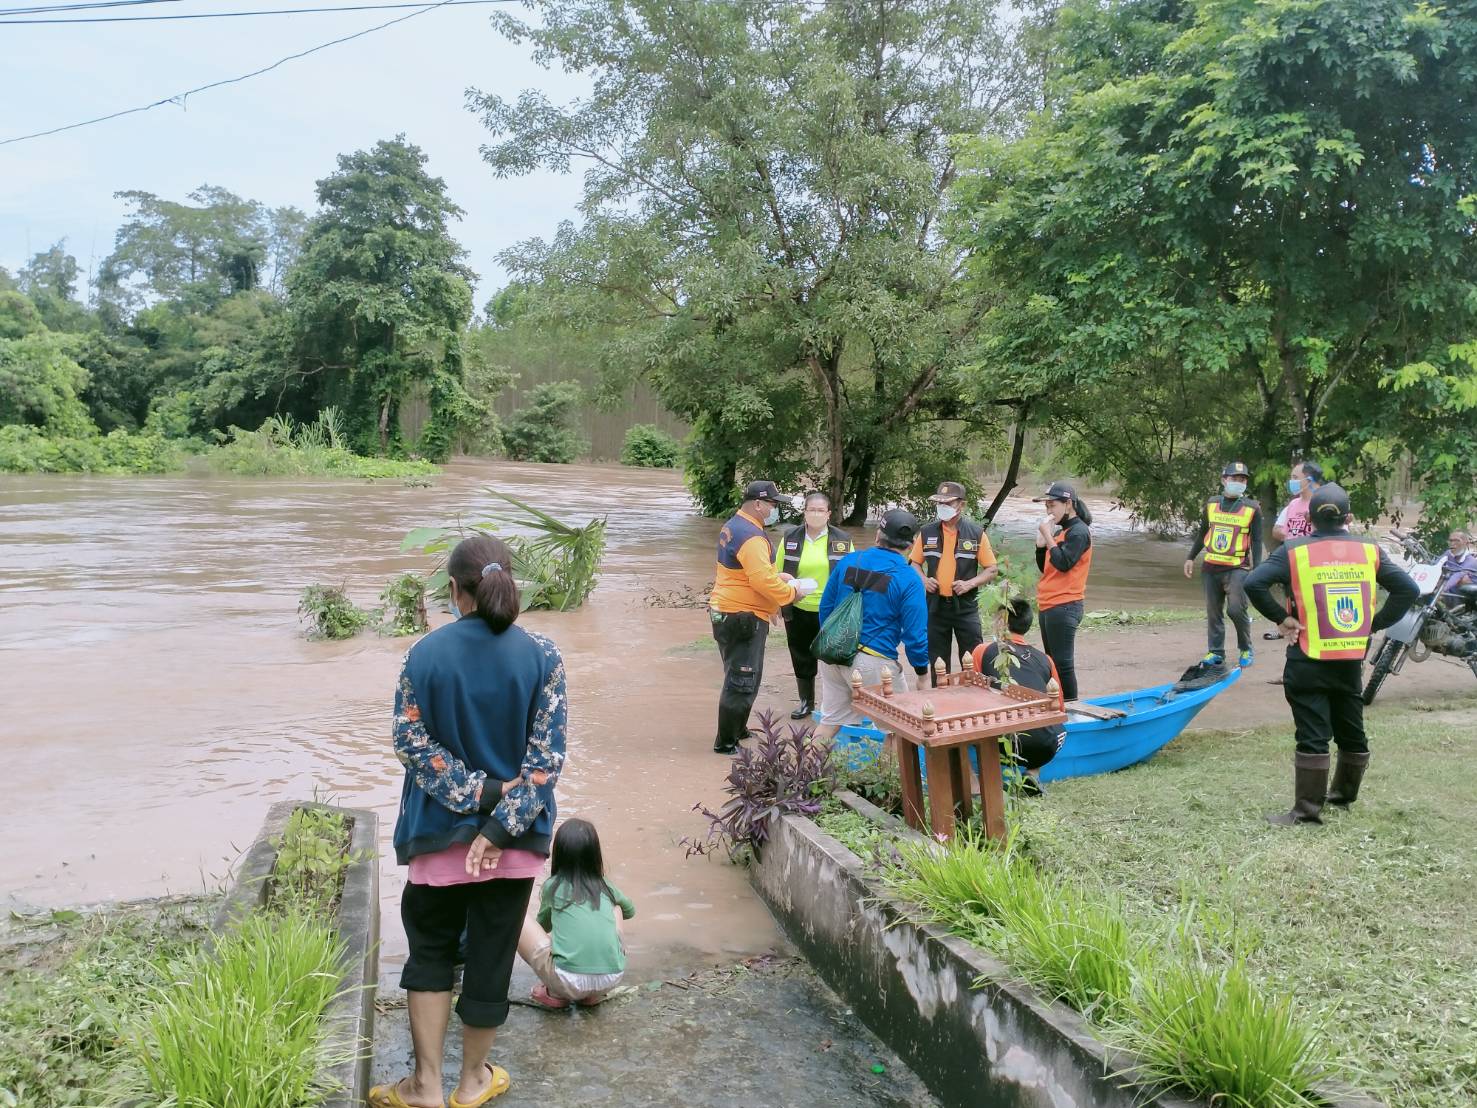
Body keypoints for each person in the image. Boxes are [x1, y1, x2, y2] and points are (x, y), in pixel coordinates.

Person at [374, 535, 567, 1108]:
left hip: (437, 841)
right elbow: (545, 763)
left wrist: (474, 795)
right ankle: (472, 1081)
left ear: (454, 591)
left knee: (430, 953)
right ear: (509, 583)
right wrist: (499, 827)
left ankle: (424, 1086)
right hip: (515, 847)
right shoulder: (544, 656)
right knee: (490, 957)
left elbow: (409, 743)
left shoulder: (423, 655)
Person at [1244, 484, 1418, 826]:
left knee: (1312, 732)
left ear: (1309, 519)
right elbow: (1408, 590)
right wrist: (1372, 624)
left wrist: (1283, 618)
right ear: (1348, 518)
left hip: (1307, 657)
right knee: (1350, 724)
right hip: (1350, 659)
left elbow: (1254, 583)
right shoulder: (1370, 551)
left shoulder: (1293, 551)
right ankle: (1343, 796)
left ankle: (1307, 812)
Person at [709, 480, 815, 754]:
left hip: (729, 610)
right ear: (758, 504)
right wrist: (789, 595)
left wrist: (777, 579)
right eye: (772, 504)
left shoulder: (735, 525)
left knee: (743, 675)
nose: (774, 510)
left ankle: (738, 729)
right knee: (741, 680)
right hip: (742, 615)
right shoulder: (752, 536)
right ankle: (726, 744)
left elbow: (750, 573)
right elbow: (761, 582)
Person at [812, 509, 931, 742]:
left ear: (878, 535)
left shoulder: (849, 561)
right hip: (874, 664)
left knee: (830, 722)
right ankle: (889, 779)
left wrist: (835, 643)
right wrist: (922, 673)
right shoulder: (909, 579)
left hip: (833, 657)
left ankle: (802, 774)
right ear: (912, 544)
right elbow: (916, 636)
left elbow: (825, 609)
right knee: (900, 729)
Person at [518, 818, 635, 1010]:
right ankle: (592, 996)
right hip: (611, 976)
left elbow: (542, 926)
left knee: (519, 920)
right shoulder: (604, 885)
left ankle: (554, 993)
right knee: (617, 908)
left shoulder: (552, 886)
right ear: (595, 855)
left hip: (567, 980)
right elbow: (630, 910)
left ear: (559, 854)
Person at [970, 599, 1066, 791]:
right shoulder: (1045, 659)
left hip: (1002, 742)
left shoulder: (983, 651)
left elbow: (973, 697)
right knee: (1060, 728)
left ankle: (977, 784)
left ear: (1001, 623)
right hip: (1045, 747)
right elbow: (1060, 708)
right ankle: (1033, 773)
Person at [774, 491, 854, 719]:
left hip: (831, 611)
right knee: (801, 655)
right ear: (804, 512)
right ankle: (806, 702)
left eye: (821, 510)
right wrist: (778, 601)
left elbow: (852, 574)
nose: (816, 514)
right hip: (798, 607)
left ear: (829, 514)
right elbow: (776, 573)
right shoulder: (790, 538)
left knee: (836, 657)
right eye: (812, 510)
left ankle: (840, 706)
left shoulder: (842, 540)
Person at [909, 481, 999, 682]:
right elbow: (913, 564)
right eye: (940, 503)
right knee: (938, 663)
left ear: (961, 505)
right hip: (935, 607)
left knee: (973, 659)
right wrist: (923, 580)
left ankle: (971, 703)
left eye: (948, 503)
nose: (943, 507)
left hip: (965, 607)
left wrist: (970, 583)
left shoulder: (975, 533)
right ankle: (940, 705)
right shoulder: (927, 532)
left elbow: (992, 569)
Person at [1183, 461, 1263, 669]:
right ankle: (1216, 652)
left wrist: (1258, 568)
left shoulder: (1252, 508)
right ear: (1223, 480)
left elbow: (1256, 540)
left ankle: (1246, 647)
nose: (1239, 482)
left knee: (1236, 610)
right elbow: (1202, 533)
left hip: (1237, 567)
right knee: (1213, 611)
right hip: (1211, 567)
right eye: (1234, 479)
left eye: (1243, 480)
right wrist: (1190, 557)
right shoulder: (1211, 504)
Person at [1032, 481, 1093, 701]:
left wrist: (1048, 537)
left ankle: (1072, 709)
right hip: (1049, 604)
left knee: (1063, 664)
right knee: (1052, 662)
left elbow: (1065, 562)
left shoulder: (1078, 531)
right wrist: (1041, 545)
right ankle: (1057, 708)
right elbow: (1047, 568)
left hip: (1066, 605)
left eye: (1052, 505)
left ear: (1068, 504)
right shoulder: (1061, 532)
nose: (1049, 511)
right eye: (1046, 506)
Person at [1264, 460, 1325, 641]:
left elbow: (1337, 533)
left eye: (1295, 477)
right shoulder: (1293, 505)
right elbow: (1277, 530)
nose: (1291, 481)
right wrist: (1293, 537)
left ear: (1309, 479)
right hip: (1291, 559)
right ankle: (1285, 623)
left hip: (1315, 563)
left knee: (1313, 599)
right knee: (1285, 593)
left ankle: (1315, 631)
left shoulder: (1324, 503)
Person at [1439, 529, 1476, 593]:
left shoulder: (1471, 561)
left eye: (1457, 541)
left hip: (1467, 597)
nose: (1452, 543)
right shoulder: (1448, 553)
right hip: (1450, 592)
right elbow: (1434, 565)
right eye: (1451, 541)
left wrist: (1440, 591)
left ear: (1466, 544)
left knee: (1464, 579)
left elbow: (1457, 576)